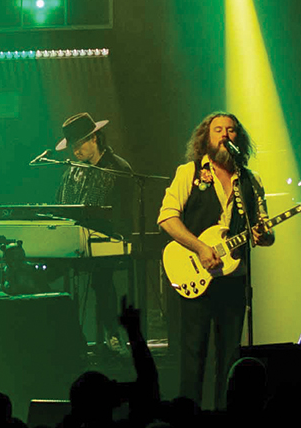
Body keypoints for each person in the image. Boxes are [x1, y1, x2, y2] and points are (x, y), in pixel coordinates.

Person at [157, 112, 274, 407]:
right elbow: (167, 218)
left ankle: (228, 416)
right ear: (205, 138)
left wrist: (264, 236)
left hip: (234, 278)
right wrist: (198, 248)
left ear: (239, 138)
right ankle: (188, 418)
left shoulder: (250, 179)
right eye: (217, 130)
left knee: (231, 355)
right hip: (195, 275)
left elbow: (264, 226)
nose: (224, 134)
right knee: (193, 353)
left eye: (231, 130)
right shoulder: (189, 172)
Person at [52, 112, 136, 345]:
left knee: (101, 276)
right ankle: (64, 336)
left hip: (107, 240)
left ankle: (111, 336)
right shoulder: (73, 170)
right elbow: (60, 206)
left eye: (79, 144)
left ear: (95, 138)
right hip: (73, 240)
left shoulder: (118, 168)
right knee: (43, 268)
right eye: (73, 146)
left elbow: (122, 215)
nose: (76, 151)